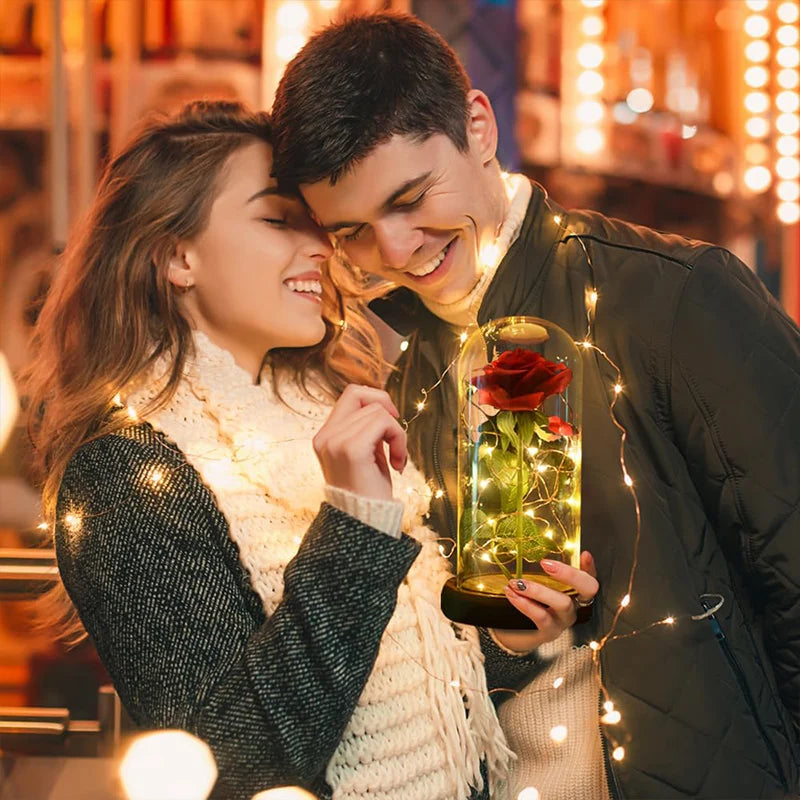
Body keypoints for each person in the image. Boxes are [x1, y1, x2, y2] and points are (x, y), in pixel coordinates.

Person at [270, 12, 800, 799]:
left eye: (413, 198)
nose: (397, 251)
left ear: (479, 127)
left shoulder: (674, 297)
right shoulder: (402, 371)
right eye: (353, 230)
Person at [23, 99, 600, 800]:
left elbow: (419, 687)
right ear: (177, 255)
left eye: (319, 225)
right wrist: (356, 523)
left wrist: (512, 636)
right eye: (277, 220)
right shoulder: (125, 473)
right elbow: (232, 767)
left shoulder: (330, 410)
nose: (322, 248)